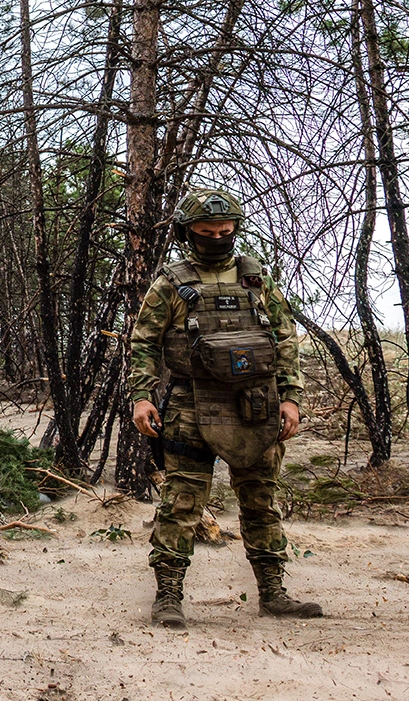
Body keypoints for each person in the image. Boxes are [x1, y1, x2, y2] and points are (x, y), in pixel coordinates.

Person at [129, 188, 322, 630]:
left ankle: (273, 593)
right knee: (181, 503)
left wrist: (291, 397)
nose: (217, 238)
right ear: (188, 233)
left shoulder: (256, 279)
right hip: (189, 404)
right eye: (205, 232)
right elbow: (143, 343)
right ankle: (168, 597)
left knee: (261, 500)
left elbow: (286, 339)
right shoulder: (171, 283)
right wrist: (141, 396)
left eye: (225, 230)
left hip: (255, 404)